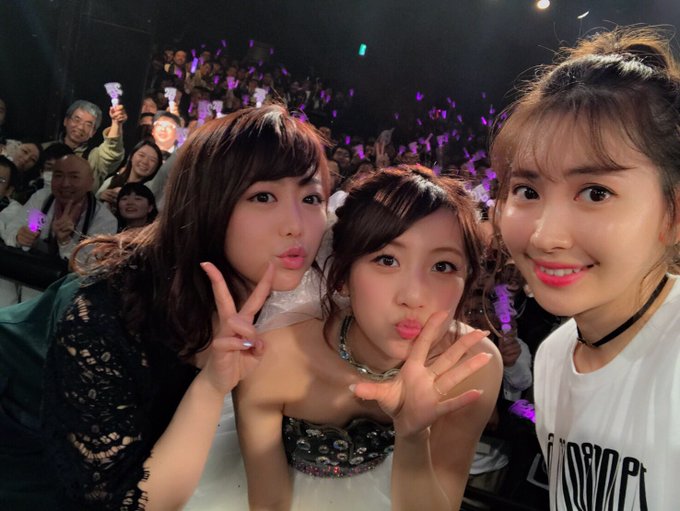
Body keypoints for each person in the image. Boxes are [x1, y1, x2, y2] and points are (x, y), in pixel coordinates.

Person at [0, 104, 331, 510]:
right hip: (22, 410)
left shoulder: (99, 214)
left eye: (312, 197)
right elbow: (109, 499)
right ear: (206, 201)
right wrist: (34, 233)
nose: (296, 225)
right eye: (263, 196)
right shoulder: (95, 287)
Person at [235, 166, 502, 510]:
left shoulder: (474, 366)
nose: (414, 297)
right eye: (387, 260)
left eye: (442, 266)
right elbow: (268, 502)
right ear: (342, 277)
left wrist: (413, 436)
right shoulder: (275, 356)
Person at [491, 26, 680, 509]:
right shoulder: (554, 358)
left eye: (596, 192)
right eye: (527, 191)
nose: (544, 236)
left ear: (673, 213)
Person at [43, 99, 128, 189]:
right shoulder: (43, 149)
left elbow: (112, 152)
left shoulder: (95, 159)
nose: (80, 127)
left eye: (88, 124)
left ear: (93, 132)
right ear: (66, 121)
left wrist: (116, 123)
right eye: (77, 120)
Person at [96, 140, 163, 210]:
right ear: (131, 156)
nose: (145, 162)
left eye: (152, 160)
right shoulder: (113, 180)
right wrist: (100, 197)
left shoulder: (151, 191)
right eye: (141, 155)